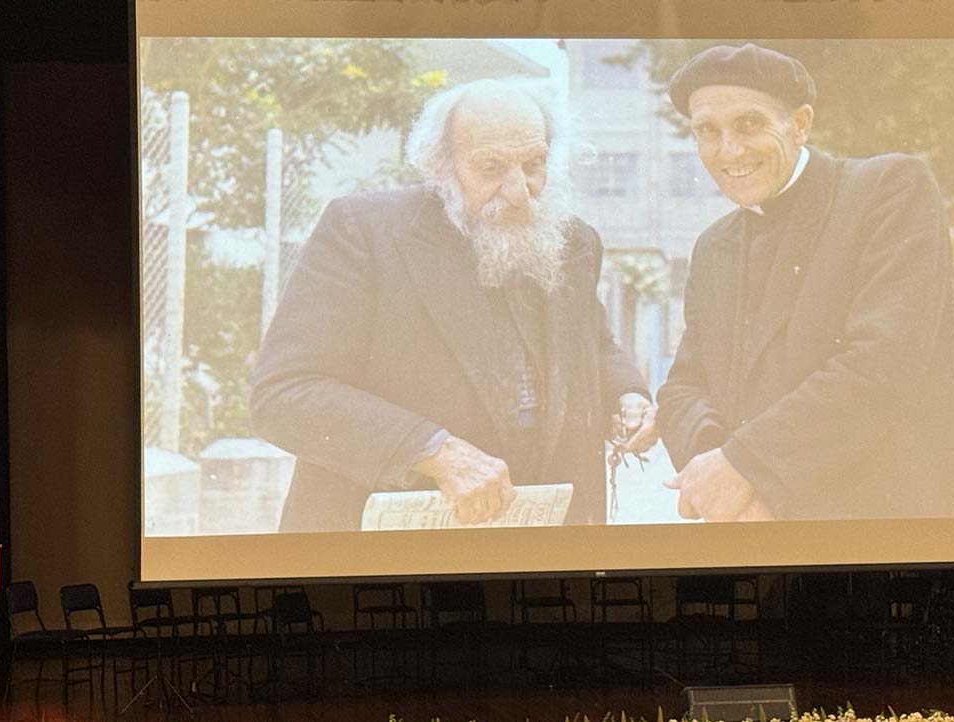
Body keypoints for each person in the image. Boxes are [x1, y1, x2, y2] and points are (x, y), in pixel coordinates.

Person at [251, 78, 656, 532]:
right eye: (491, 167)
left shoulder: (574, 241)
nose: (520, 191)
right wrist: (431, 449)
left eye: (534, 163)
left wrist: (628, 395)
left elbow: (592, 344)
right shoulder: (363, 232)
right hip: (387, 547)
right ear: (442, 166)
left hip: (541, 542)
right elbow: (283, 393)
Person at [656, 43, 954, 521]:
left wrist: (745, 467)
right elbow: (683, 387)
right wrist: (723, 475)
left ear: (801, 123)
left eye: (749, 124)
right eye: (708, 131)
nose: (729, 150)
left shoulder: (888, 189)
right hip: (762, 541)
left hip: (893, 540)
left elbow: (881, 364)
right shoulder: (714, 246)